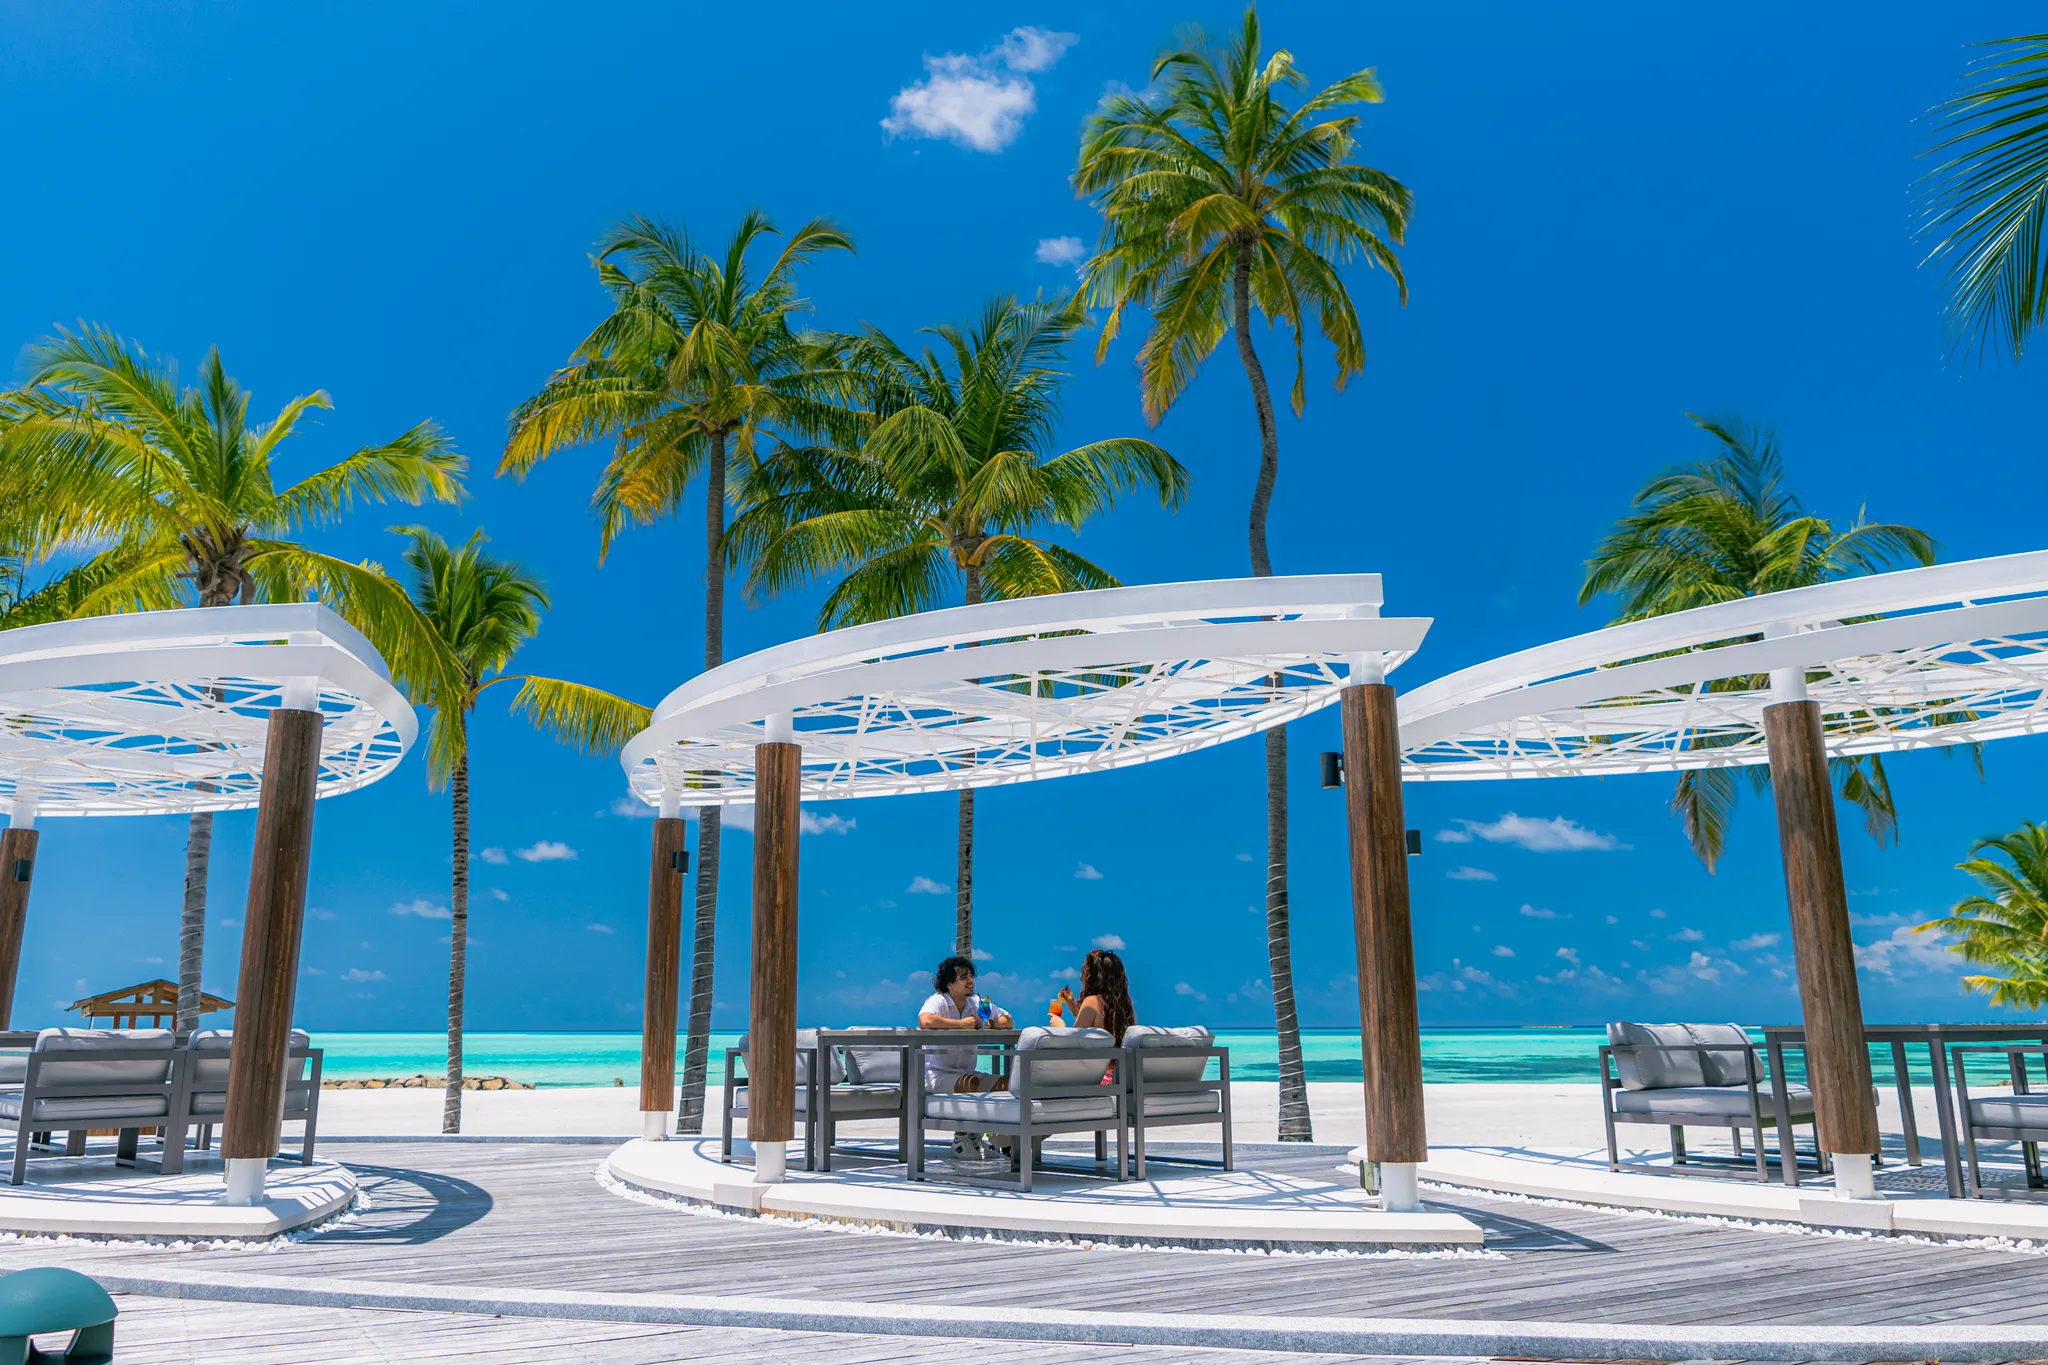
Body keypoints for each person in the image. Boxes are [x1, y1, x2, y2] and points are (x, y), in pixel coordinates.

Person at [918, 955, 1014, 1160]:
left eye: (970, 975)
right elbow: (925, 1020)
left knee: (1005, 1083)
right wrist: (961, 1025)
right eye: (963, 977)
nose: (970, 981)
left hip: (966, 1073)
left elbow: (1008, 1020)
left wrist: (988, 1024)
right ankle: (960, 1141)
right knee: (970, 1083)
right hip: (936, 1074)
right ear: (949, 984)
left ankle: (981, 1136)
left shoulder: (976, 1003)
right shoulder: (939, 1000)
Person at [1048, 948, 1136, 1044]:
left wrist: (1060, 1027)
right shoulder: (1123, 1004)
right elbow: (1096, 1024)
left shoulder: (1092, 1001)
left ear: (1091, 976)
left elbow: (1074, 1043)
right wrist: (1073, 1008)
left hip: (1098, 1054)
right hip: (1115, 1054)